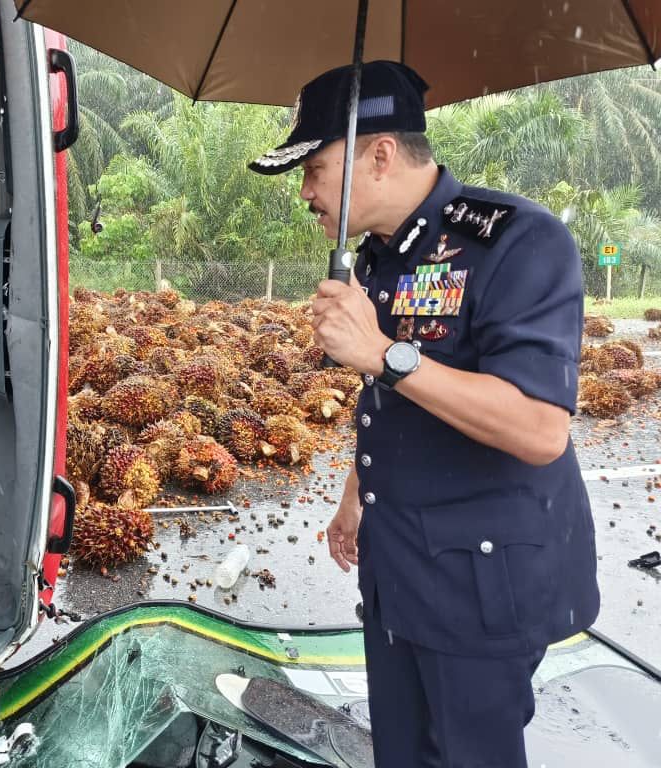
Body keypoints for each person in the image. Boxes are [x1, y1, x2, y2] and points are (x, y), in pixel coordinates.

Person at [250, 61, 600, 767]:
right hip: (399, 573)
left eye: (315, 167)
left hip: (481, 586)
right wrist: (355, 496)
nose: (306, 193)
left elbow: (539, 428)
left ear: (378, 154)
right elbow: (392, 403)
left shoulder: (518, 244)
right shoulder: (381, 257)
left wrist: (382, 352)